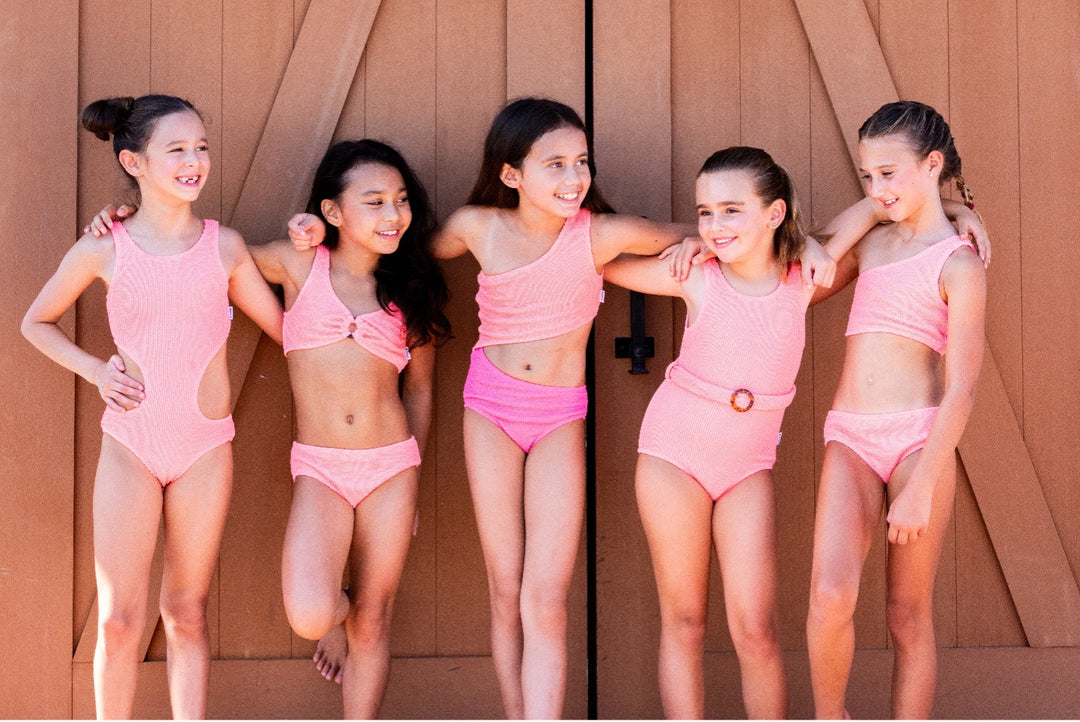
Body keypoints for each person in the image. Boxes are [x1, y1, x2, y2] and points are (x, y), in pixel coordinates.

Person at [289, 97, 837, 719]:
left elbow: (719, 236)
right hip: (489, 411)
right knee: (506, 589)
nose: (575, 177)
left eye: (581, 161)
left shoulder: (601, 235)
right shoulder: (476, 226)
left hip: (558, 417)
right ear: (511, 174)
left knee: (545, 598)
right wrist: (318, 233)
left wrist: (806, 248)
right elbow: (394, 244)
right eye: (555, 164)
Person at [22, 94, 283, 719]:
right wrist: (96, 370)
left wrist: (317, 254)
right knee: (119, 619)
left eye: (202, 148)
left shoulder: (225, 248)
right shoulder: (106, 246)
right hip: (131, 446)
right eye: (177, 149)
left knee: (186, 612)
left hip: (204, 450)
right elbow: (36, 322)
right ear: (134, 162)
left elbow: (286, 330)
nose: (195, 161)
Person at [603, 146, 882, 719]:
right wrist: (684, 241)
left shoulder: (803, 277)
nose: (715, 223)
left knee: (756, 627)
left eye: (732, 210)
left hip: (746, 469)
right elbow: (601, 262)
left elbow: (882, 209)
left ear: (775, 213)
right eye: (705, 212)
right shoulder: (698, 276)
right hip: (674, 456)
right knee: (685, 620)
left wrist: (960, 210)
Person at [805, 100, 988, 719]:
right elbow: (809, 266)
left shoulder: (959, 262)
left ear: (932, 164)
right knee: (830, 597)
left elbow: (962, 388)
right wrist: (882, 208)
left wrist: (922, 487)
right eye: (867, 175)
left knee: (907, 614)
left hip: (918, 442)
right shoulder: (872, 246)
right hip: (851, 437)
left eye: (889, 173)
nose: (876, 188)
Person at [256, 139, 449, 718]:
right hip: (321, 467)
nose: (394, 214)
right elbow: (217, 254)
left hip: (391, 467)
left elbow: (419, 390)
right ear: (333, 210)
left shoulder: (410, 290)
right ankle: (336, 617)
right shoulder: (299, 265)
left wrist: (412, 480)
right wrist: (124, 216)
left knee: (374, 617)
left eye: (401, 200)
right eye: (374, 201)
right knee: (312, 613)